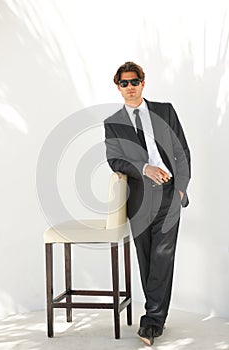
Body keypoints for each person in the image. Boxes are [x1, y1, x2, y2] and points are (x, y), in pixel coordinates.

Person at [104, 62, 191, 346]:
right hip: (139, 198)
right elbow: (114, 159)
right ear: (118, 86)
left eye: (135, 81)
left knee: (163, 260)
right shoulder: (113, 123)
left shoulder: (165, 110)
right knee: (148, 260)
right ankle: (157, 317)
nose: (130, 87)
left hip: (168, 195)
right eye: (124, 83)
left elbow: (182, 151)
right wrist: (143, 167)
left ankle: (152, 322)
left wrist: (180, 190)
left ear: (143, 82)